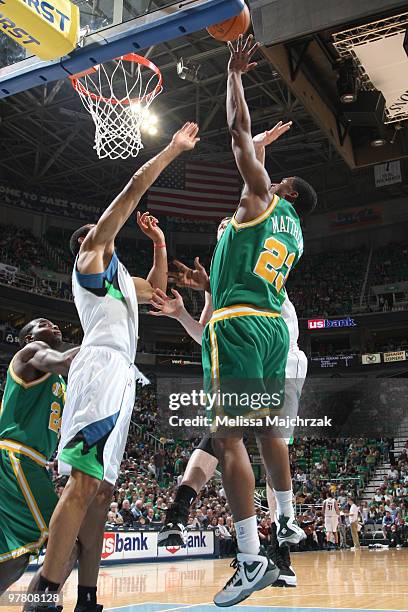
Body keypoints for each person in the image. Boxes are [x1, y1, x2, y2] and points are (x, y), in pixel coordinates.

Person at [31, 122, 200, 612]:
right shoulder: (89, 257)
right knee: (83, 485)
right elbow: (129, 193)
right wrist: (170, 151)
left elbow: (160, 290)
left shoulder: (121, 279)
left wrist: (160, 245)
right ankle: (42, 595)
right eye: (102, 232)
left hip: (123, 376)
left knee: (102, 493)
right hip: (100, 367)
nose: (108, 235)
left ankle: (87, 597)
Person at [203, 34, 315, 606]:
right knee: (271, 431)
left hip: (240, 324)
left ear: (283, 189)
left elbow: (237, 133)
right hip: (274, 328)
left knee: (229, 440)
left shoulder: (260, 197)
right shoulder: (294, 231)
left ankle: (250, 558)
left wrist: (234, 76)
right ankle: (288, 520)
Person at [151, 211, 308, 590]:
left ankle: (275, 552)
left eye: (228, 227)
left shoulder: (246, 253)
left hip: (274, 350)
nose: (223, 232)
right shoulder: (223, 276)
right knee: (227, 435)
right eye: (218, 229)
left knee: (249, 441)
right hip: (259, 346)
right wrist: (182, 312)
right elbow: (210, 336)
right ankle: (184, 513)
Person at [0, 319, 78, 594]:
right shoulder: (32, 352)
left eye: (56, 323)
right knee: (67, 540)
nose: (54, 325)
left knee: (19, 551)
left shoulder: (54, 379)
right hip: (17, 458)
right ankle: (39, 606)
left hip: (31, 460)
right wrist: (106, 339)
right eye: (44, 323)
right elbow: (68, 361)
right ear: (27, 338)